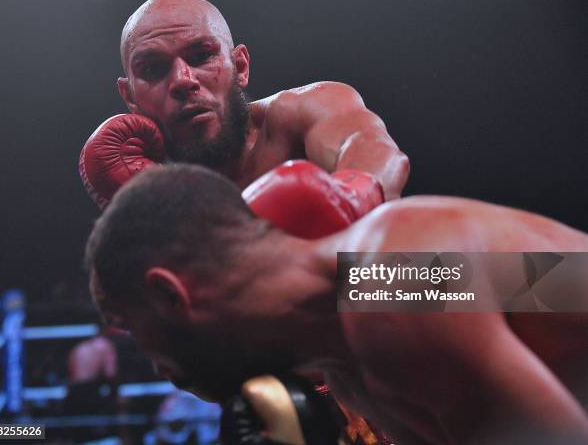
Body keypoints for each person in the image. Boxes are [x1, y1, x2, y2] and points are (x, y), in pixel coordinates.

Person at [85, 164, 588, 445]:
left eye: (132, 327)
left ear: (170, 294)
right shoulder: (347, 367)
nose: (158, 367)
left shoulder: (388, 276)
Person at [80, 0, 409, 211]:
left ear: (240, 67)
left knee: (439, 266)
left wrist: (349, 200)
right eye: (153, 68)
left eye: (201, 55)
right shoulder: (145, 187)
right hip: (261, 310)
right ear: (129, 96)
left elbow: (372, 150)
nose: (182, 80)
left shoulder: (300, 113)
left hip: (383, 297)